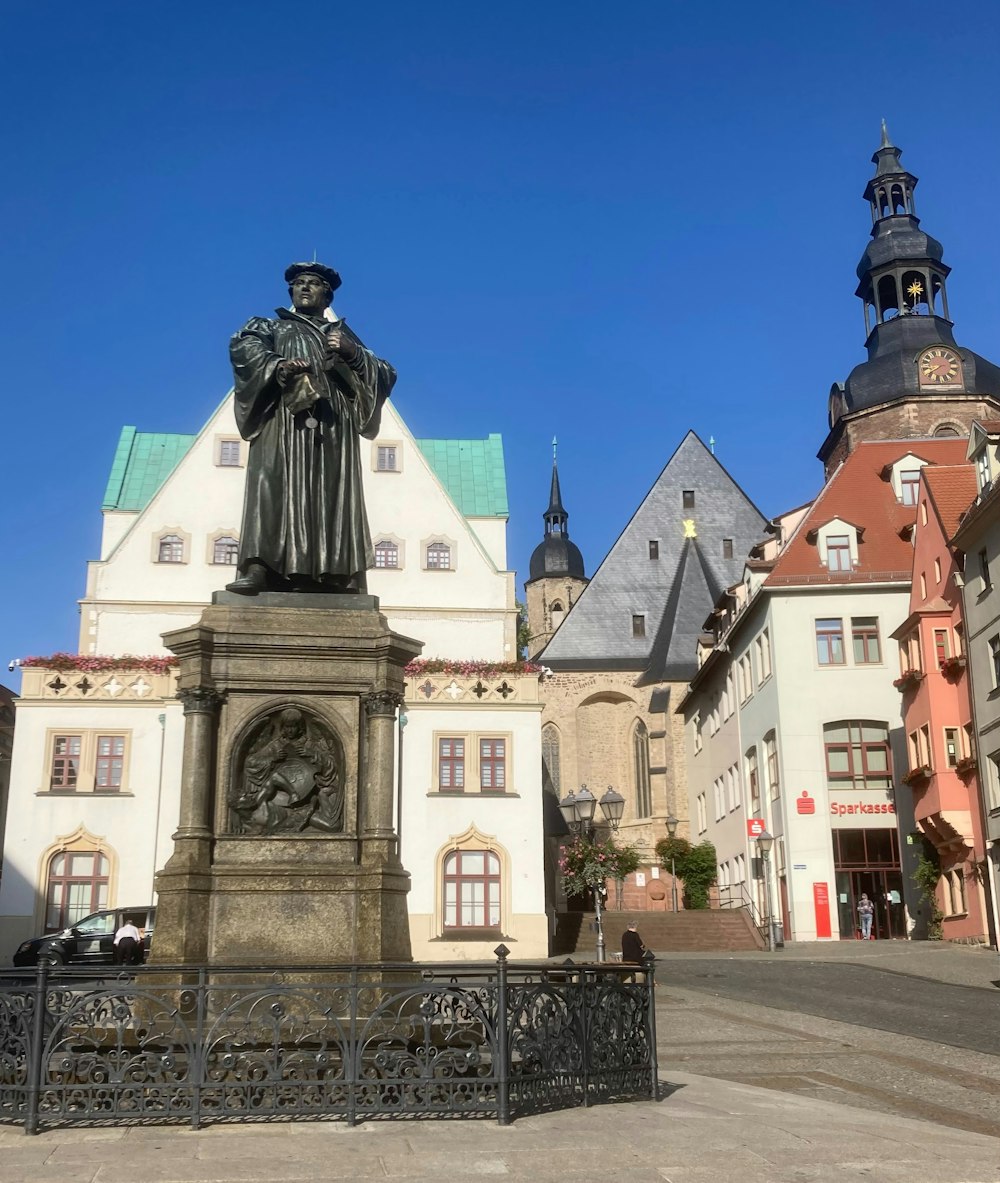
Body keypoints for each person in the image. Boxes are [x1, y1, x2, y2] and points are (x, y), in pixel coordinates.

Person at [226, 262, 396, 595]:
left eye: (313, 284)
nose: (305, 288)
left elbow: (386, 373)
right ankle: (260, 568)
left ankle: (335, 571)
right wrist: (280, 366)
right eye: (299, 283)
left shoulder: (344, 335)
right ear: (290, 291)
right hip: (283, 419)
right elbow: (244, 351)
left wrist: (353, 354)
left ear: (326, 294)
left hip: (333, 424)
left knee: (332, 491)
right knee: (272, 486)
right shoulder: (270, 327)